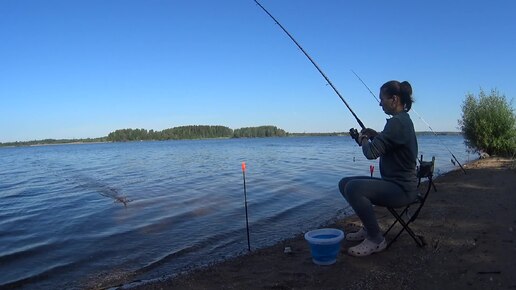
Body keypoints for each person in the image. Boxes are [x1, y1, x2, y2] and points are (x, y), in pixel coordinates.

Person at [339, 80, 419, 257]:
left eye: (381, 98)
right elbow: (389, 143)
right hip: (395, 184)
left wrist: (364, 139)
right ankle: (369, 229)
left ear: (394, 99)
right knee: (344, 182)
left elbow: (371, 153)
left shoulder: (398, 123)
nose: (379, 103)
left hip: (402, 190)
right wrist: (375, 135)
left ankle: (376, 240)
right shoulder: (401, 121)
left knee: (353, 188)